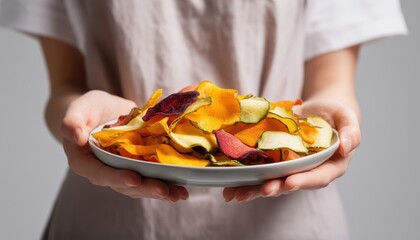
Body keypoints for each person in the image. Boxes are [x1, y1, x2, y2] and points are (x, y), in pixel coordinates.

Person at [0, 0, 407, 239]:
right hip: (109, 215)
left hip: (285, 216)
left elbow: (332, 85)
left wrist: (333, 119)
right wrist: (79, 121)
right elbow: (64, 90)